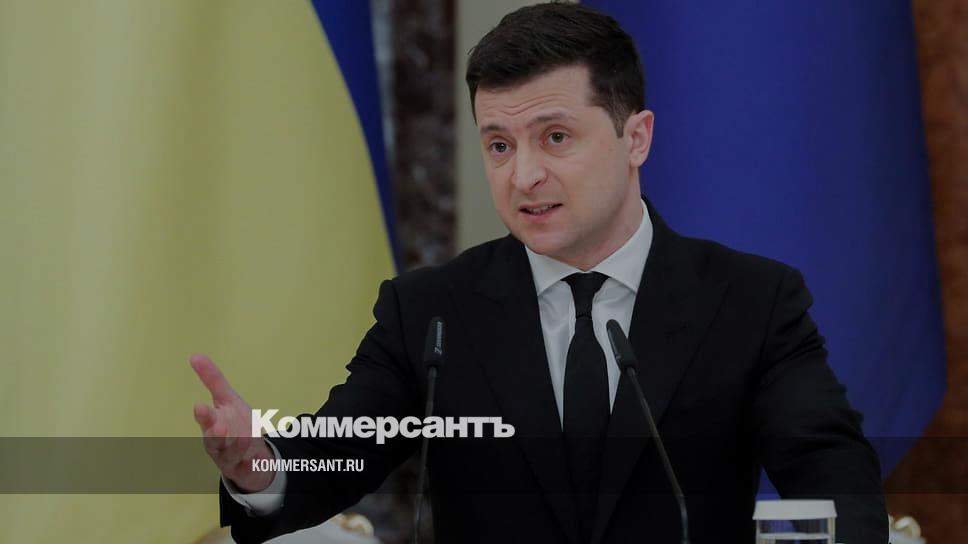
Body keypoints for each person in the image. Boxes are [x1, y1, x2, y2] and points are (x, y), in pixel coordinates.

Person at [192, 3, 888, 543]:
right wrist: (262, 467)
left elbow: (835, 482)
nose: (523, 175)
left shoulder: (750, 301)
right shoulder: (432, 312)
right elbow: (339, 451)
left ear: (636, 137)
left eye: (555, 137)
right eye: (499, 145)